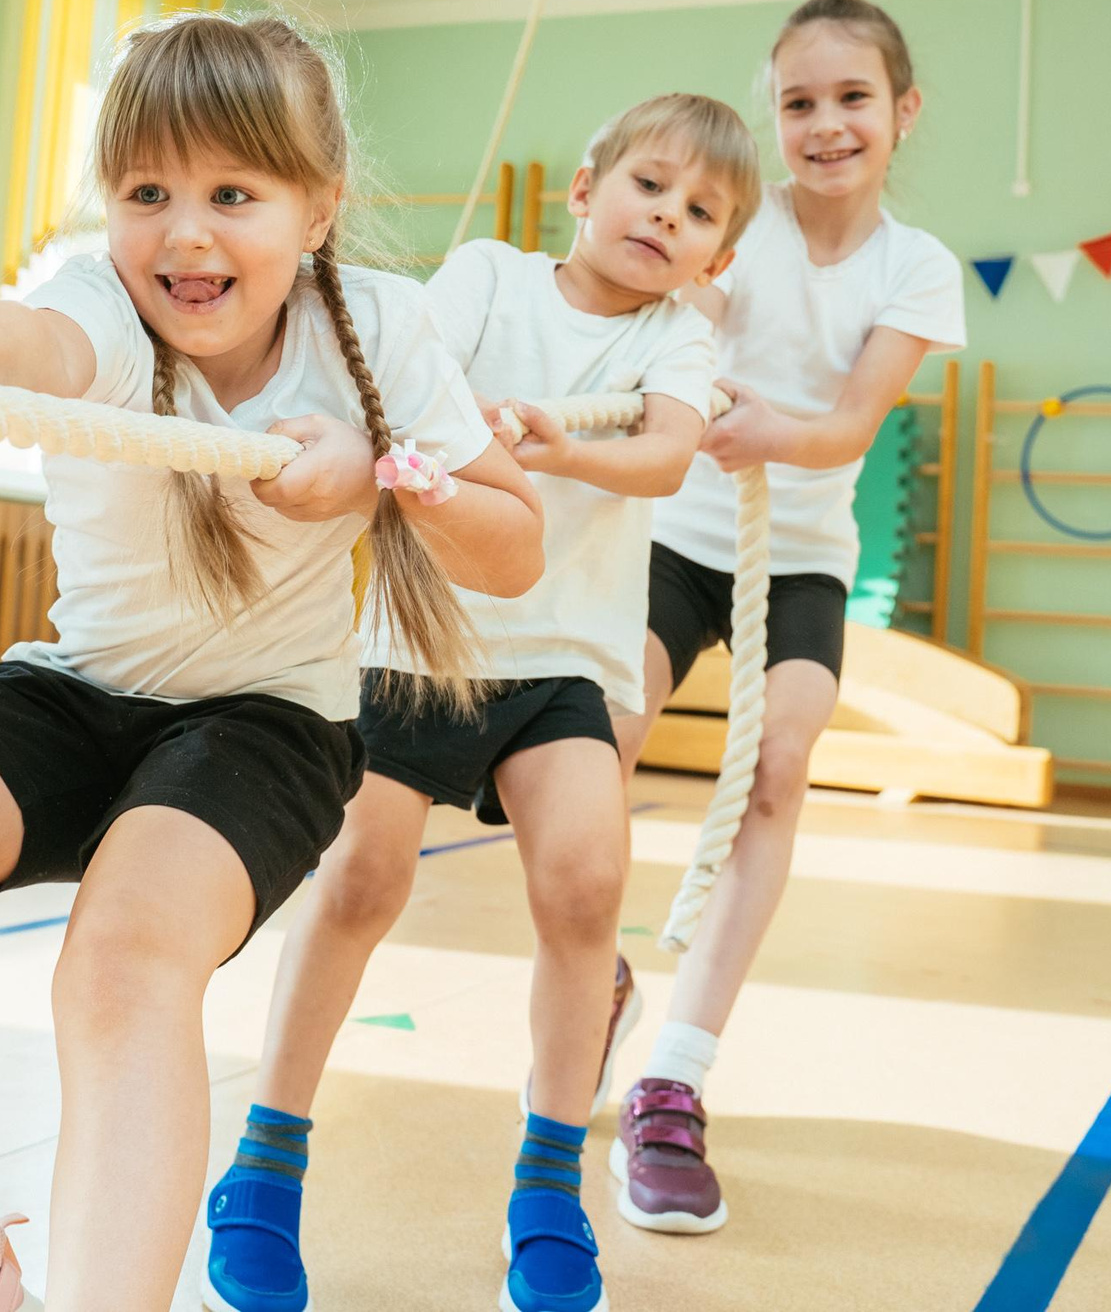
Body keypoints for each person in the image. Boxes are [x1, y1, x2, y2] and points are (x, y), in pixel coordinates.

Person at [0, 12, 546, 1312]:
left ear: (318, 206)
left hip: (267, 726)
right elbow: (36, 347)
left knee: (123, 956)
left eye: (234, 192)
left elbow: (510, 545)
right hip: (80, 693)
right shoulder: (105, 301)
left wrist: (383, 476)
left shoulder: (380, 333)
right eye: (147, 192)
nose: (185, 233)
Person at [206, 95, 755, 1312]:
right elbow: (401, 382)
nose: (666, 218)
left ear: (717, 258)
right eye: (648, 187)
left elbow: (666, 454)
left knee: (582, 888)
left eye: (700, 213)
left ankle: (548, 1186)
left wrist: (554, 449)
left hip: (564, 664)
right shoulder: (487, 276)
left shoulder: (675, 339)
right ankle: (263, 1163)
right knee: (358, 884)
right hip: (420, 642)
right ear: (584, 187)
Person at [609, 0, 966, 1233]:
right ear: (774, 115)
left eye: (851, 98)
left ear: (901, 113)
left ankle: (674, 1081)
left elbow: (850, 426)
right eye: (799, 102)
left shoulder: (912, 268)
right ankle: (588, 967)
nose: (824, 125)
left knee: (780, 766)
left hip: (798, 560)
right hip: (672, 540)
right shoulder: (732, 231)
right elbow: (686, 316)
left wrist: (768, 430)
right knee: (595, 737)